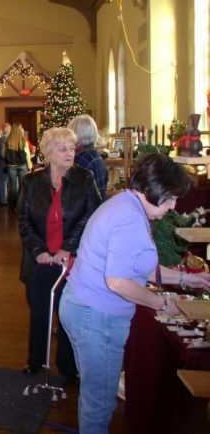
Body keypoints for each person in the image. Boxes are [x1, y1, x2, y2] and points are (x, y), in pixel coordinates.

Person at [59, 153, 210, 432]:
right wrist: (163, 302)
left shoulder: (127, 206)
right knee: (100, 403)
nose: (174, 206)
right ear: (156, 192)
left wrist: (192, 280)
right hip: (96, 315)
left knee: (97, 396)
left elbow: (142, 268)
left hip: (87, 308)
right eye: (172, 199)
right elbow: (117, 281)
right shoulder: (128, 218)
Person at [16, 127, 101, 383]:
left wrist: (68, 247)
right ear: (48, 153)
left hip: (72, 262)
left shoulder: (85, 178)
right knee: (40, 312)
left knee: (68, 316)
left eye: (72, 148)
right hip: (40, 260)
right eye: (62, 149)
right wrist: (38, 250)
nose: (69, 153)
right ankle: (37, 362)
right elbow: (23, 219)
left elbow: (92, 216)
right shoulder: (32, 181)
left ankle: (68, 367)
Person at [67, 114, 109, 200]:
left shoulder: (80, 158)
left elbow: (75, 193)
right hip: (99, 208)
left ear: (77, 134)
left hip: (88, 211)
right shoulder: (95, 155)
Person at [3, 124, 30, 207]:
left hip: (11, 165)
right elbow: (27, 154)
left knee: (13, 186)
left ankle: (13, 204)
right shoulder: (23, 141)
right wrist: (29, 165)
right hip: (22, 165)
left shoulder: (7, 141)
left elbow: (3, 154)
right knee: (22, 186)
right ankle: (21, 204)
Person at [0, 123, 11, 204]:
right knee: (12, 181)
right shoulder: (15, 137)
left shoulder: (2, 138)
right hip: (15, 163)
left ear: (4, 129)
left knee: (3, 181)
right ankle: (12, 198)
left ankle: (4, 200)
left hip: (4, 162)